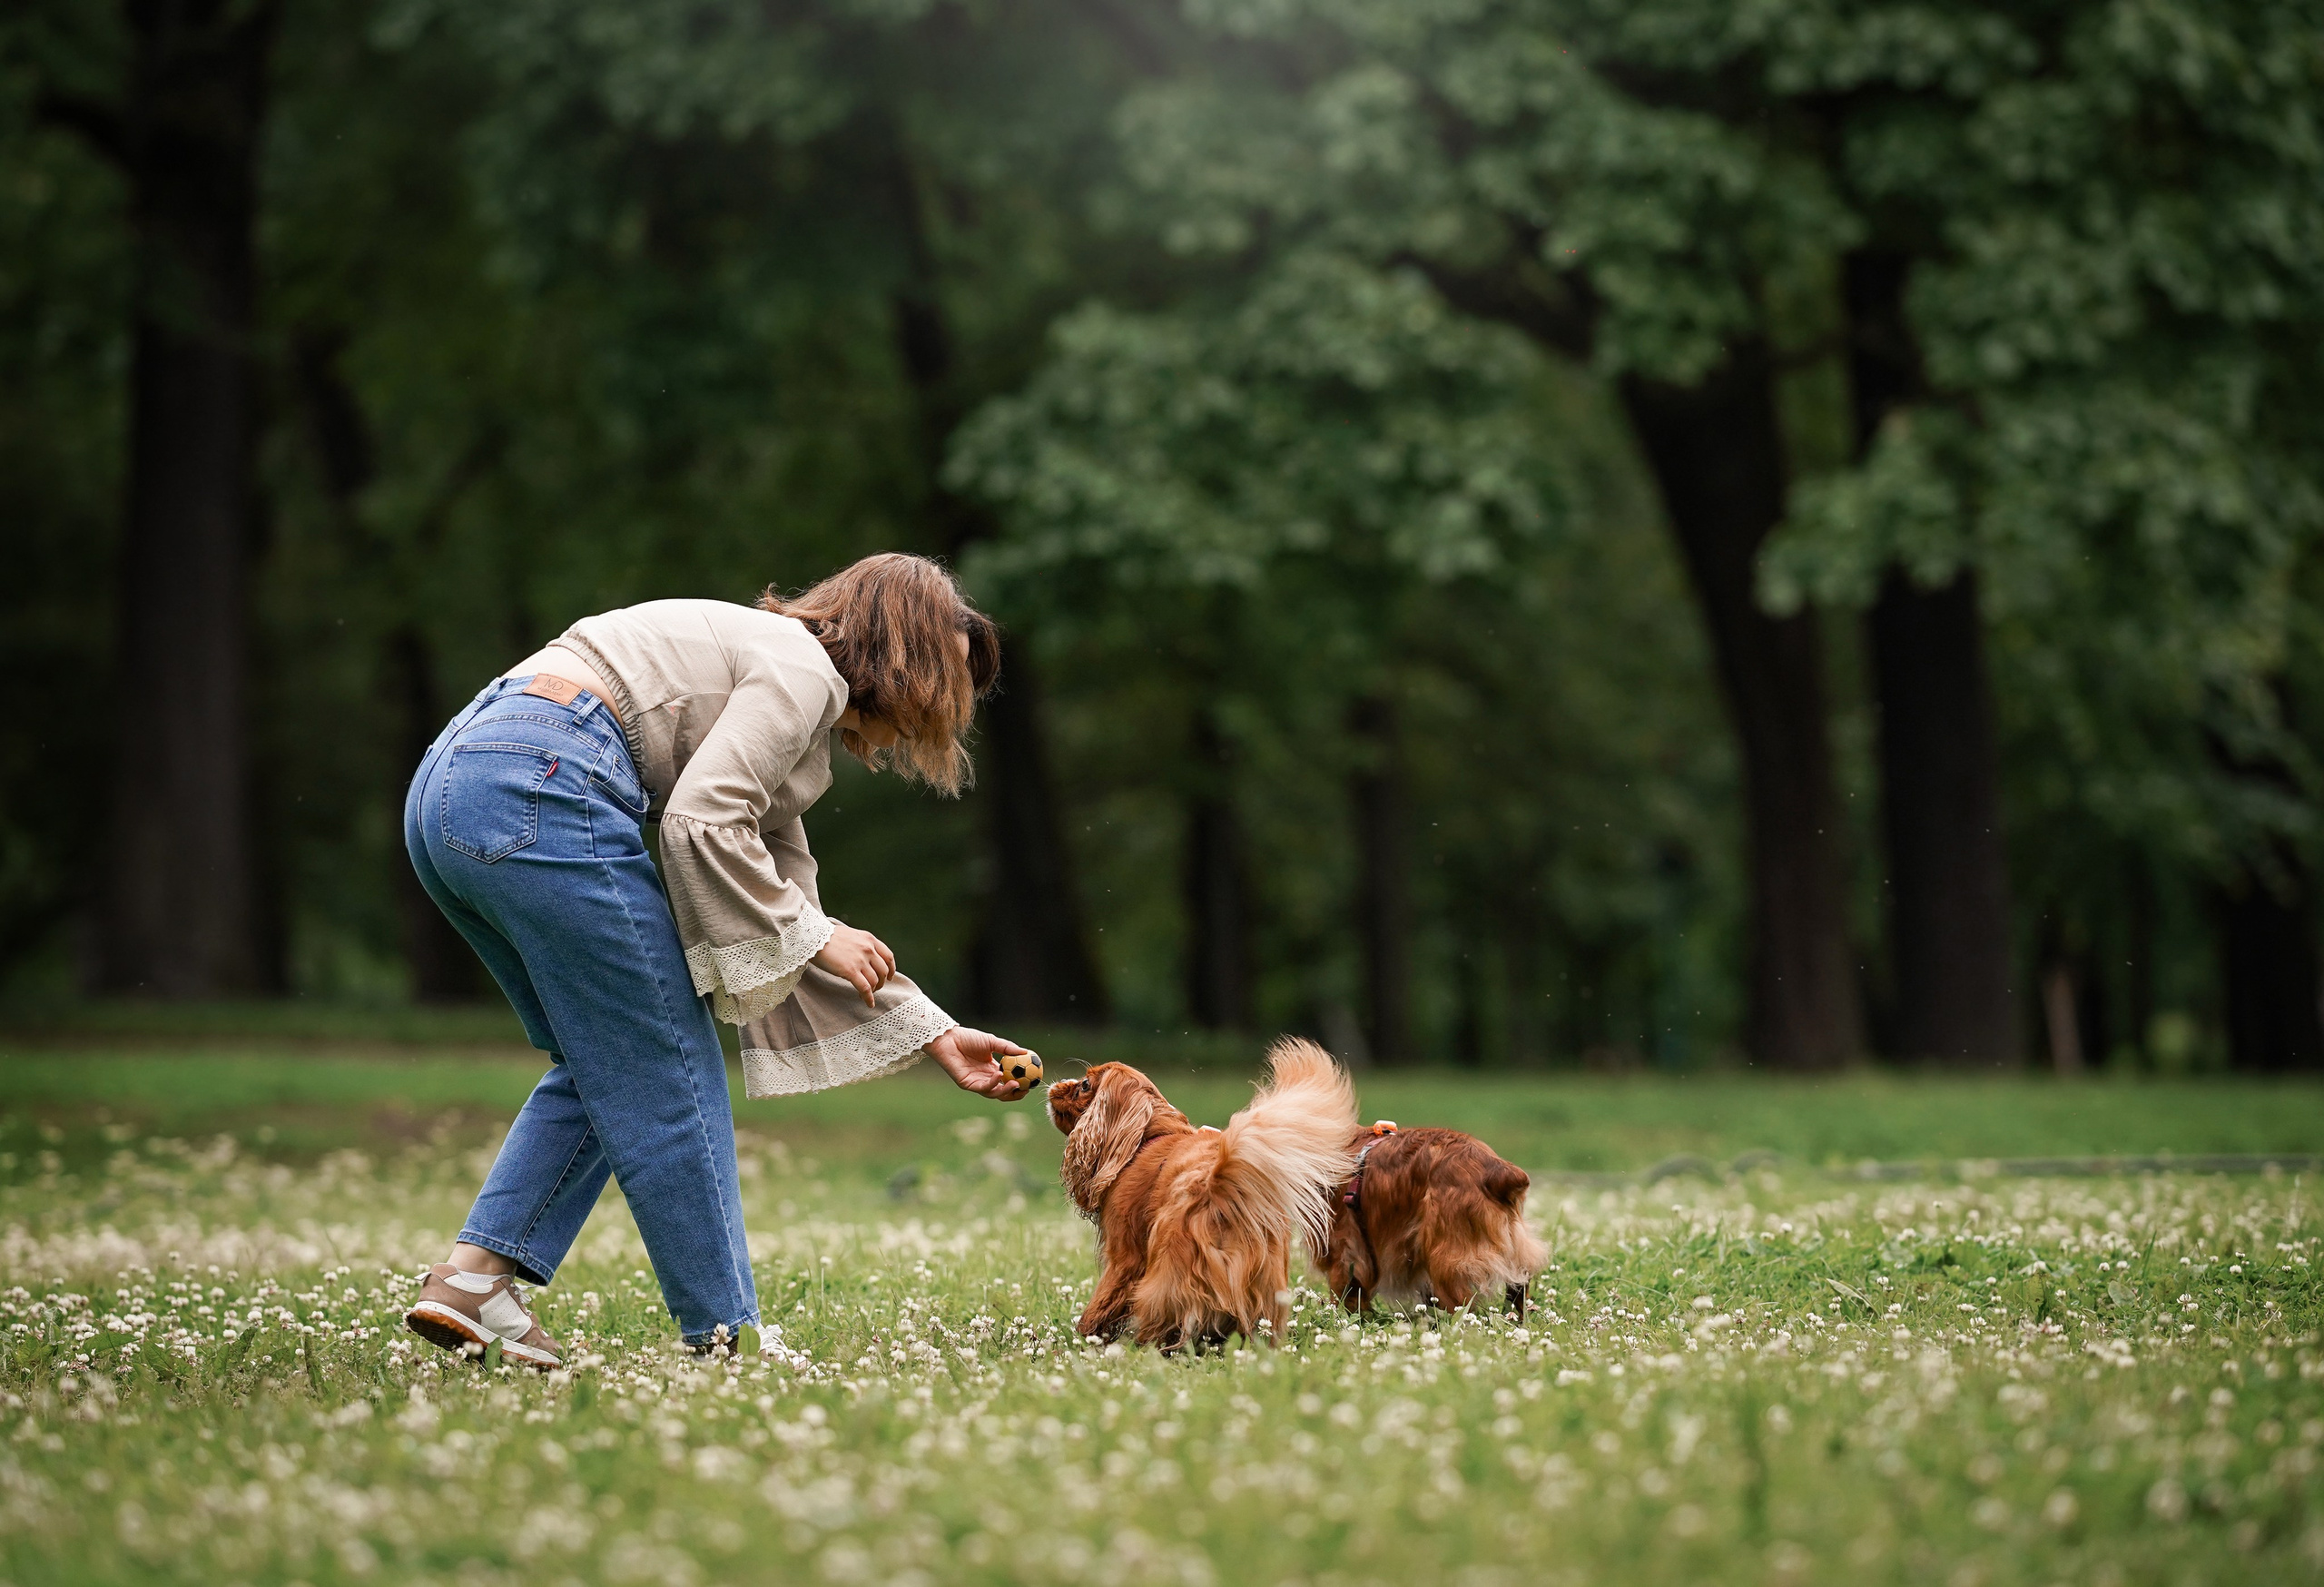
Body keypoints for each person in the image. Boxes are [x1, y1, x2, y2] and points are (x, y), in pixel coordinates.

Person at [399, 554, 1032, 1365]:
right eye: (933, 695)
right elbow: (702, 826)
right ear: (897, 658)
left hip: (456, 786)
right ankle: (728, 1336)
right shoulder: (801, 669)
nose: (916, 730)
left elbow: (787, 904)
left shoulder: (774, 689)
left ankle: (475, 1282)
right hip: (542, 782)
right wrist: (819, 936)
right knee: (665, 1055)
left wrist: (931, 1031)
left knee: (607, 1055)